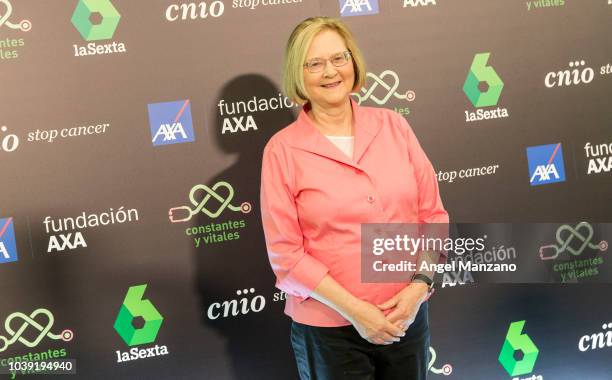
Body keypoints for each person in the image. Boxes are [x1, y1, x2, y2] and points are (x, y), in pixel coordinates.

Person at [260, 16, 448, 380]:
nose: (330, 71)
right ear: (298, 74)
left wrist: (419, 288)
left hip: (405, 319)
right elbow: (286, 255)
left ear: (353, 62)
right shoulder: (281, 150)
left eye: (339, 58)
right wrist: (356, 311)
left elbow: (433, 217)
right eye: (314, 63)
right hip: (330, 332)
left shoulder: (394, 126)